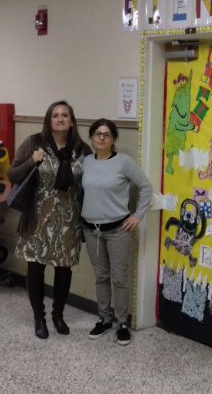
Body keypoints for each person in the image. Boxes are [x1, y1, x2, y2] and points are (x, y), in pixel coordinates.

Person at [7, 100, 91, 339]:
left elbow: (89, 183)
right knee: (35, 267)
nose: (60, 119)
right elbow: (12, 174)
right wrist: (32, 160)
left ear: (72, 121)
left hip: (69, 221)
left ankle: (58, 315)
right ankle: (39, 317)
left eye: (65, 115)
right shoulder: (35, 142)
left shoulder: (82, 149)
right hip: (38, 218)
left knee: (64, 269)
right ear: (49, 120)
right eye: (55, 115)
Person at [82, 118, 152, 346]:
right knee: (101, 276)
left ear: (113, 139)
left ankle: (122, 323)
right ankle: (104, 318)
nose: (102, 138)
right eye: (98, 134)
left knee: (120, 279)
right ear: (91, 138)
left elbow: (145, 187)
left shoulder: (123, 162)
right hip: (92, 231)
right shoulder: (86, 162)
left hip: (118, 231)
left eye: (106, 134)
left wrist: (138, 215)